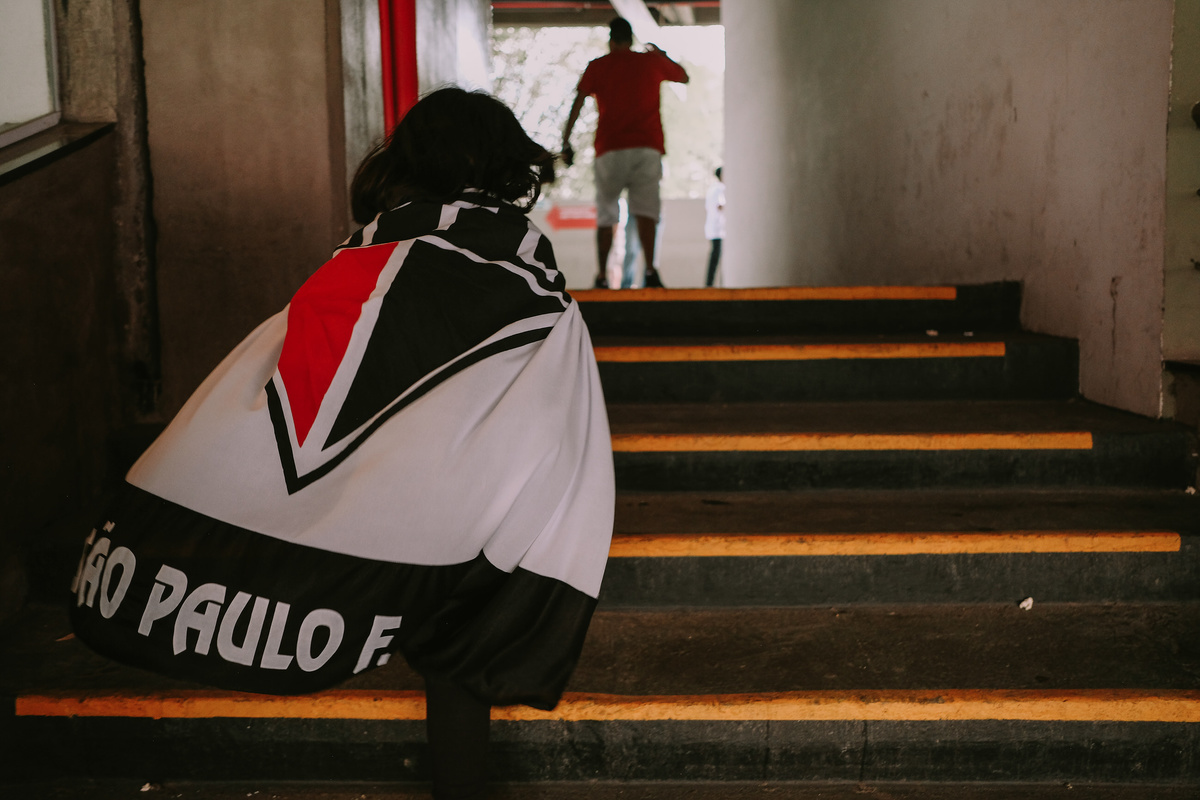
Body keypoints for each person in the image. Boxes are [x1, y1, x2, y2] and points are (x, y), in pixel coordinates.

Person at [69, 87, 615, 800]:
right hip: (446, 531)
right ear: (509, 166)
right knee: (466, 604)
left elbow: (284, 399)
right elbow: (550, 427)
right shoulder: (536, 292)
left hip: (353, 530)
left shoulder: (348, 269)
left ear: (409, 161)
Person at [561, 16, 688, 289]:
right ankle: (651, 271)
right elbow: (684, 76)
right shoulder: (650, 62)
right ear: (630, 39)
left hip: (610, 149)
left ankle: (602, 276)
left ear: (611, 40)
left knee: (607, 213)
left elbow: (578, 101)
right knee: (646, 212)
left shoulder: (598, 66)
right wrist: (661, 54)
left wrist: (565, 140)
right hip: (647, 147)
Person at [704, 167, 725, 287]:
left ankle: (710, 284)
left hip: (714, 229)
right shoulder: (720, 189)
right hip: (718, 230)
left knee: (715, 258)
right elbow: (720, 206)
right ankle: (710, 285)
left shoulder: (713, 188)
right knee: (716, 258)